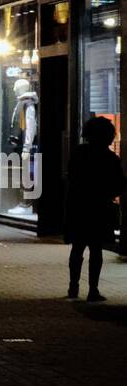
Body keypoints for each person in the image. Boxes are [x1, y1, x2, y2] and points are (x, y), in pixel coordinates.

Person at [64, 116, 124, 302]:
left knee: (77, 248)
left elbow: (71, 177)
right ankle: (93, 290)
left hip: (79, 207)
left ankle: (73, 287)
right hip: (100, 208)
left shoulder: (79, 153)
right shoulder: (110, 158)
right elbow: (118, 184)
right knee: (96, 250)